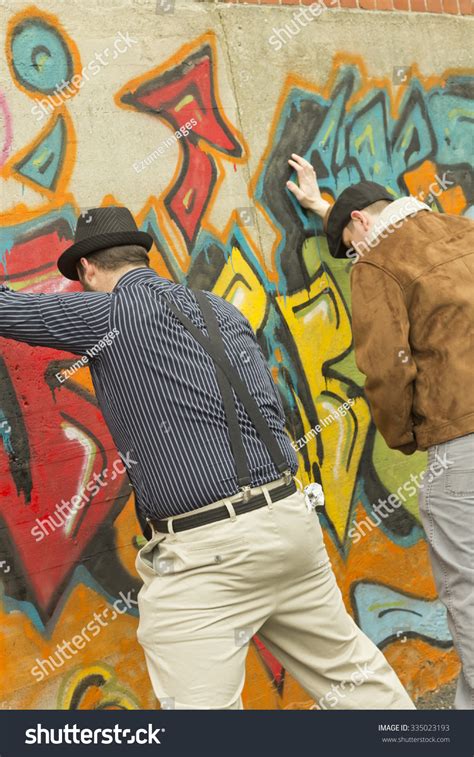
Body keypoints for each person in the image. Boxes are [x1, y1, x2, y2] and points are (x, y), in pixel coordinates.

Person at [0, 206, 414, 710]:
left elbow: (11, 312)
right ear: (140, 254)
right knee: (356, 680)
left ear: (87, 270)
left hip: (209, 551)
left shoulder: (110, 312)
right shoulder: (218, 307)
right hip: (290, 523)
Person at [287, 153, 474, 710]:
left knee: (466, 594)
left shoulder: (376, 264)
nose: (353, 260)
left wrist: (404, 436)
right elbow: (380, 229)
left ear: (363, 225)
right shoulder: (459, 229)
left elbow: (387, 368)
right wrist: (325, 208)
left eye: (349, 248)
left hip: (460, 446)